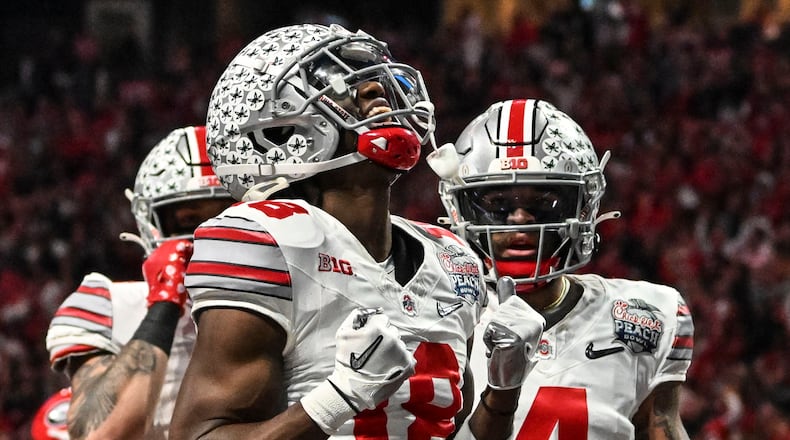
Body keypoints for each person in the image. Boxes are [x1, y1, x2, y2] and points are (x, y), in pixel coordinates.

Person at [170, 23, 487, 439]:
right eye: (340, 80)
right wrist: (340, 397)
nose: (377, 89)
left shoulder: (451, 257)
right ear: (277, 130)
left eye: (375, 77)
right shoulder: (265, 240)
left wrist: (502, 394)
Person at [428, 98, 695, 439]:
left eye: (543, 204)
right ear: (461, 210)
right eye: (498, 205)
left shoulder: (643, 315)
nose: (520, 219)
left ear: (583, 208)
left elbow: (660, 427)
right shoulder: (434, 313)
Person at [44, 126, 233, 439]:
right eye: (188, 220)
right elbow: (103, 432)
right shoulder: (105, 302)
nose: (207, 234)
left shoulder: (289, 290)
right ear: (151, 223)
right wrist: (164, 302)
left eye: (226, 217)